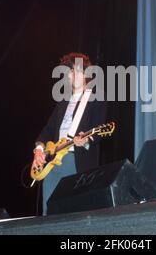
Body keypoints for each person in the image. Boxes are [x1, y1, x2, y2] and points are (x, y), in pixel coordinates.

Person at [31, 52, 107, 215]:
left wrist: (85, 141)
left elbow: (100, 129)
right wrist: (38, 150)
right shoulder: (63, 101)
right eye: (70, 71)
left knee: (73, 211)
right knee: (49, 211)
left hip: (77, 161)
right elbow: (48, 129)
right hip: (54, 162)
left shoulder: (95, 97)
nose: (73, 75)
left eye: (77, 71)